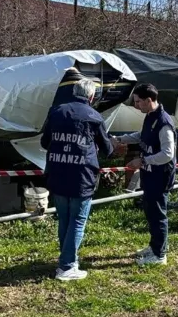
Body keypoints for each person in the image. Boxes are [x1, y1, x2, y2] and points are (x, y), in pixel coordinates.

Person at [40, 77, 115, 281]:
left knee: (64, 219)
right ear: (91, 96)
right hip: (82, 177)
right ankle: (67, 266)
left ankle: (66, 261)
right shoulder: (94, 117)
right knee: (78, 220)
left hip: (57, 173)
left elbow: (45, 143)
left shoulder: (56, 112)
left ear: (74, 92)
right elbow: (108, 149)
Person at [111, 83, 176, 266]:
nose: (136, 105)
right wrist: (120, 139)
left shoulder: (164, 123)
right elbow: (142, 136)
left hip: (160, 175)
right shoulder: (150, 116)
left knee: (158, 215)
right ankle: (154, 246)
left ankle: (160, 255)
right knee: (151, 212)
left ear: (149, 100)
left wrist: (143, 161)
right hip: (150, 174)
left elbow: (167, 154)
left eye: (138, 101)